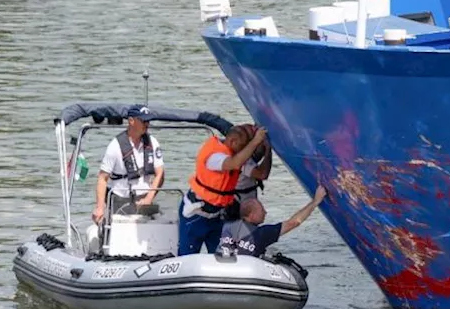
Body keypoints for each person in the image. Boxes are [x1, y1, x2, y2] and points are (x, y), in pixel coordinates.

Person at [179, 124, 269, 255]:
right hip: (196, 214)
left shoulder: (235, 152)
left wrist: (265, 146)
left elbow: (259, 170)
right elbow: (235, 163)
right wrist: (255, 141)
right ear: (233, 141)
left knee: (222, 254)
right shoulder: (215, 156)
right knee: (187, 255)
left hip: (217, 215)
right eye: (242, 146)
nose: (244, 150)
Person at [92, 105, 164, 224]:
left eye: (148, 121)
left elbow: (160, 173)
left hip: (145, 201)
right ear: (131, 121)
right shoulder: (115, 146)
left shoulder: (153, 143)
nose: (147, 124)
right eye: (143, 121)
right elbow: (102, 178)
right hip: (120, 201)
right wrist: (100, 207)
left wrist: (149, 198)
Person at [218, 184, 327, 258]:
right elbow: (293, 223)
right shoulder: (262, 233)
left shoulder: (227, 226)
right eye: (261, 210)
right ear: (251, 215)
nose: (265, 212)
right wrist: (315, 201)